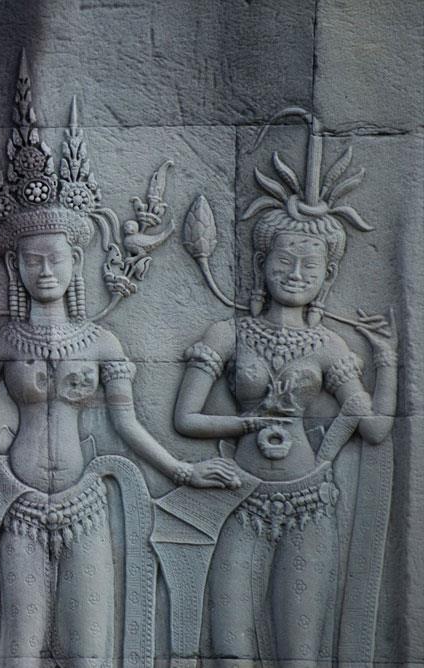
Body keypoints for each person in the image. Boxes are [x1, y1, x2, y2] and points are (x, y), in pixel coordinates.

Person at [0, 53, 238, 667]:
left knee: (90, 652)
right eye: (31, 259)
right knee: (20, 650)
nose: (45, 269)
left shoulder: (102, 342)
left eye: (55, 257)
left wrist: (184, 471)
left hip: (86, 501)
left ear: (76, 260)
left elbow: (128, 425)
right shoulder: (4, 340)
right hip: (18, 503)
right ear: (15, 266)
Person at [173, 108, 397, 666]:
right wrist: (246, 422)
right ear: (261, 262)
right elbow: (185, 419)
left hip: (309, 503)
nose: (296, 273)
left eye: (310, 267)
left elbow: (374, 428)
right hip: (239, 498)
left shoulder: (329, 346)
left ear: (327, 277)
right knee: (231, 648)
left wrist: (387, 360)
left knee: (299, 654)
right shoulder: (227, 333)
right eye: (285, 261)